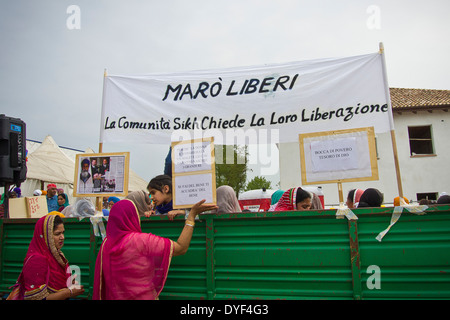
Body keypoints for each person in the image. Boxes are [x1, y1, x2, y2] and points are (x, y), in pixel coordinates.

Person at [92, 198, 217, 300]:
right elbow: (180, 248)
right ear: (133, 217)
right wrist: (191, 217)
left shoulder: (106, 244)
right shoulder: (140, 241)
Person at [7, 214, 84, 300]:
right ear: (46, 235)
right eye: (57, 234)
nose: (62, 237)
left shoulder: (57, 255)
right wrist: (69, 292)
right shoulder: (36, 260)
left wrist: (68, 284)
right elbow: (36, 298)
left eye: (63, 233)